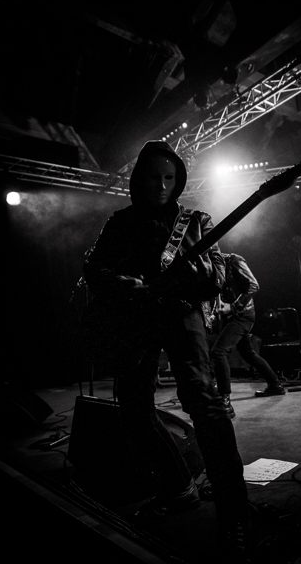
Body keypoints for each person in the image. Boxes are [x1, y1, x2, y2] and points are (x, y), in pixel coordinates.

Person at [80, 140, 252, 563]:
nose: (161, 185)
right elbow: (94, 267)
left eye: (169, 178)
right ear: (138, 179)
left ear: (179, 181)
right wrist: (120, 283)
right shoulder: (120, 221)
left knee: (204, 404)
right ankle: (179, 488)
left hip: (181, 313)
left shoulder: (196, 221)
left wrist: (199, 273)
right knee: (133, 409)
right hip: (137, 319)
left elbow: (216, 277)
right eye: (153, 177)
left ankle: (235, 516)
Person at [210, 253, 285, 418]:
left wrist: (234, 307)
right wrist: (216, 311)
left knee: (218, 351)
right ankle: (275, 385)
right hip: (232, 317)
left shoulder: (234, 261)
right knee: (248, 353)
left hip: (242, 315)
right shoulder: (213, 266)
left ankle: (224, 402)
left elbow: (253, 285)